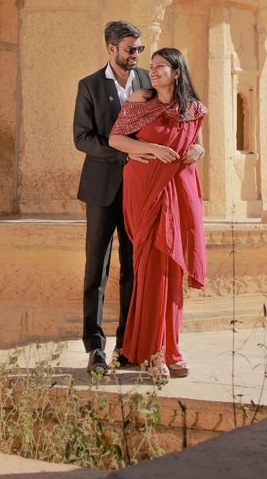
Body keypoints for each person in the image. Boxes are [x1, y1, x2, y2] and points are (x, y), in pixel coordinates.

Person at [109, 47, 207, 376]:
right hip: (145, 192)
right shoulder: (140, 100)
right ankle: (152, 353)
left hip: (178, 191)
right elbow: (117, 140)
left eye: (160, 67)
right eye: (151, 66)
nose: (153, 71)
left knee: (173, 271)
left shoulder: (192, 108)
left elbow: (198, 143)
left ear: (176, 72)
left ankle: (172, 350)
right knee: (151, 269)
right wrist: (151, 147)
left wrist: (198, 150)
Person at [73, 20, 150, 373]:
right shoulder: (89, 85)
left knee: (134, 268)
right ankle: (95, 348)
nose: (135, 55)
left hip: (139, 189)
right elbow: (82, 138)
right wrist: (124, 151)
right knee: (97, 270)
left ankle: (128, 344)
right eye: (129, 49)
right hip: (102, 189)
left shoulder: (148, 81)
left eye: (139, 49)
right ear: (111, 49)